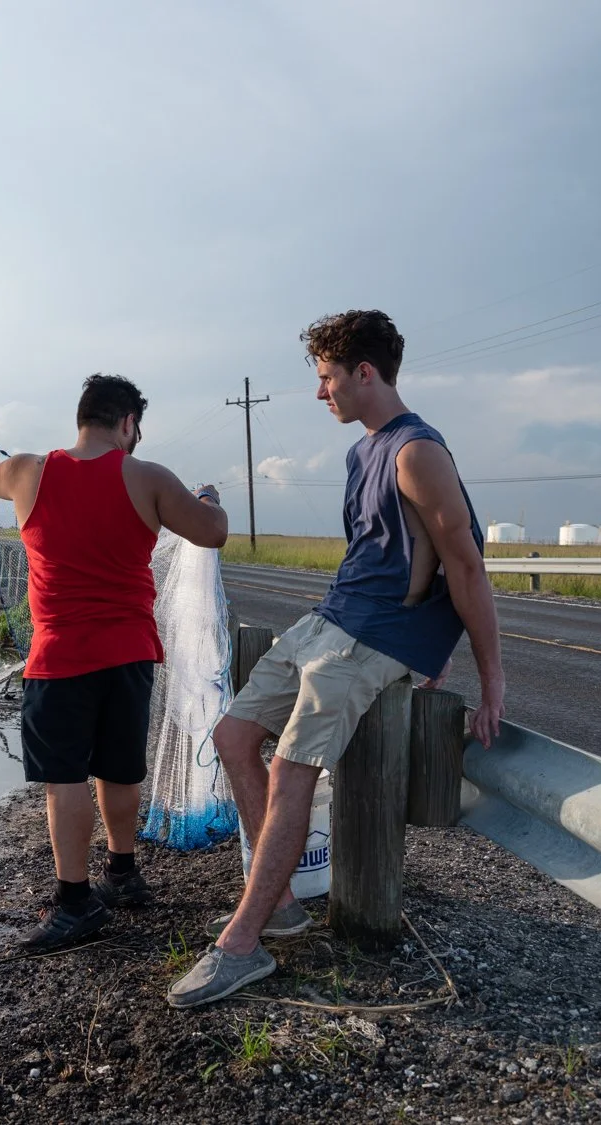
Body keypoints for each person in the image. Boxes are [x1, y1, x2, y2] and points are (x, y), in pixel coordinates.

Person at [167, 310, 505, 1009]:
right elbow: (381, 553)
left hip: (371, 640)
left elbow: (466, 564)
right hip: (328, 621)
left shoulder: (418, 452)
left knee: (294, 767)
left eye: (327, 377)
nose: (321, 392)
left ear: (365, 372)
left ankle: (241, 945)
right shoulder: (361, 453)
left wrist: (484, 674)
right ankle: (279, 905)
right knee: (233, 736)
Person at [0, 374, 229, 949]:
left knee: (64, 779)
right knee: (119, 768)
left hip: (59, 656)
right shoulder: (148, 478)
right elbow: (213, 532)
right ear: (128, 423)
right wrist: (208, 497)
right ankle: (123, 873)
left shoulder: (27, 472)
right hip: (130, 654)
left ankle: (76, 902)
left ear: (82, 419)